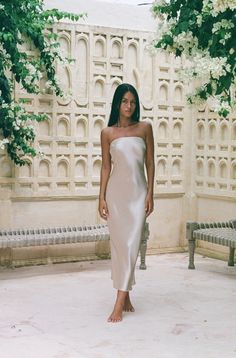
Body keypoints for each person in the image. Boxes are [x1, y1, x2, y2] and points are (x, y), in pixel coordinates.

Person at [99, 83, 155, 323]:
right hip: (116, 196)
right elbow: (105, 167)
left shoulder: (145, 128)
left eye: (132, 102)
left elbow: (150, 163)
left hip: (138, 195)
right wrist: (100, 197)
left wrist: (151, 193)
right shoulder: (107, 133)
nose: (129, 106)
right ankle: (127, 295)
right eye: (124, 102)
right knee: (121, 247)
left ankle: (119, 303)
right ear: (117, 104)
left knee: (132, 244)